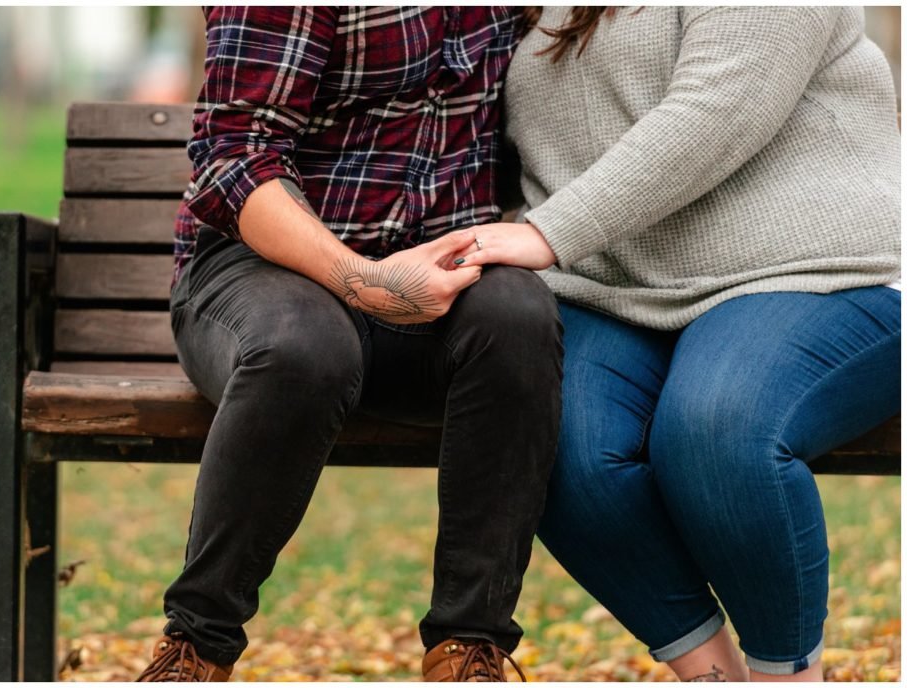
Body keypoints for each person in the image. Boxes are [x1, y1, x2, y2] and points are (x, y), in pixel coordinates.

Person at [453, 6, 900, 682]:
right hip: (609, 285)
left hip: (813, 272)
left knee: (716, 430)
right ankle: (709, 672)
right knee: (543, 436)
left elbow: (716, 110)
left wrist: (547, 232)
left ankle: (786, 674)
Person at [136, 7, 562, 682]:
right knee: (306, 348)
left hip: (437, 275)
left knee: (519, 314)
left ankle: (469, 648)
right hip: (262, 271)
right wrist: (364, 283)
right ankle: (198, 646)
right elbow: (234, 161)